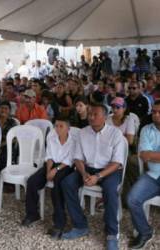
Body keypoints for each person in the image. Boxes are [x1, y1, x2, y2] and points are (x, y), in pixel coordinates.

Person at [61, 103, 125, 250]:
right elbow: (77, 158)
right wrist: (84, 174)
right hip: (87, 168)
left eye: (95, 114)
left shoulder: (115, 134)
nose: (90, 117)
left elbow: (117, 163)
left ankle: (111, 233)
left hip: (109, 170)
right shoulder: (83, 133)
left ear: (104, 117)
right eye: (90, 114)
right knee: (67, 183)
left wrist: (98, 176)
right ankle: (80, 225)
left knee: (110, 191)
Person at [21, 116, 75, 239]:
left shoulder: (73, 141)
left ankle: (59, 223)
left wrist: (55, 170)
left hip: (65, 166)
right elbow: (49, 155)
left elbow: (69, 160)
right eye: (56, 126)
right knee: (32, 181)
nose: (58, 129)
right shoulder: (51, 137)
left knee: (57, 186)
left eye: (61, 126)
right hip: (51, 164)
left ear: (68, 128)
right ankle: (32, 214)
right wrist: (48, 171)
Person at [127, 100, 160, 249]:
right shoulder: (147, 129)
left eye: (159, 112)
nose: (156, 115)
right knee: (132, 199)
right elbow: (145, 156)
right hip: (153, 175)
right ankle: (145, 231)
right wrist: (150, 155)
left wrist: (154, 155)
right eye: (154, 112)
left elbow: (150, 154)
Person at [0, 101, 19, 174]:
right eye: (1, 108)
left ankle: (1, 178)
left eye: (6, 108)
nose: (3, 110)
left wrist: (0, 145)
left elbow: (15, 139)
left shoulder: (12, 122)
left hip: (8, 147)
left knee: (3, 156)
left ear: (9, 111)